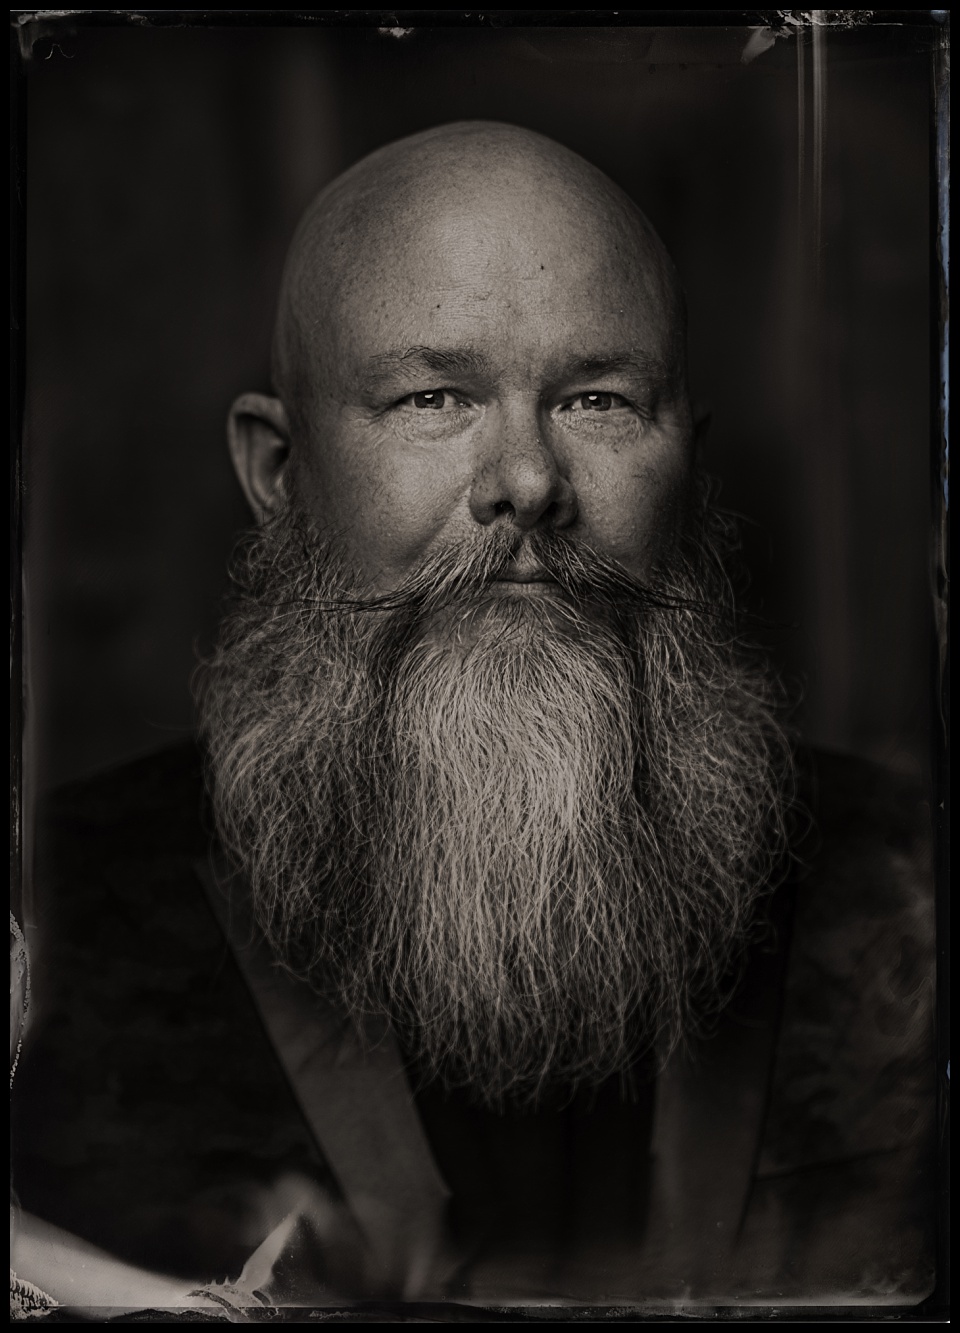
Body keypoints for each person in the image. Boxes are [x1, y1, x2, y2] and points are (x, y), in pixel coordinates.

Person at [11, 122, 936, 1317]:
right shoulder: (54, 916)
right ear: (279, 470)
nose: (530, 479)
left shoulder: (914, 885)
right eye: (432, 396)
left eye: (599, 399)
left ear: (688, 462)